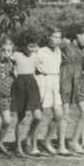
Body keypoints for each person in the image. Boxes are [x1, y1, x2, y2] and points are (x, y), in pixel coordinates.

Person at [34, 27, 68, 156]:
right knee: (38, 116)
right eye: (55, 37)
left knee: (59, 115)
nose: (58, 40)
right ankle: (33, 145)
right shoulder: (40, 51)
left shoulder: (59, 51)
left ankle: (48, 141)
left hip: (54, 82)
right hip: (42, 81)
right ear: (47, 38)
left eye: (59, 37)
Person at [9, 31, 44, 158]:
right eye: (30, 46)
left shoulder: (35, 55)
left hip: (32, 85)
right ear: (24, 45)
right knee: (22, 118)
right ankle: (18, 148)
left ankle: (28, 140)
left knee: (38, 117)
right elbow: (9, 68)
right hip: (20, 86)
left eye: (35, 46)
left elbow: (36, 70)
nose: (33, 49)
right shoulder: (16, 55)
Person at [59, 25, 84, 155]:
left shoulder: (83, 49)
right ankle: (61, 146)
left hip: (79, 82)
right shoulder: (65, 44)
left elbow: (82, 66)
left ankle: (74, 141)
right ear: (77, 35)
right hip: (65, 80)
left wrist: (83, 71)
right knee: (64, 115)